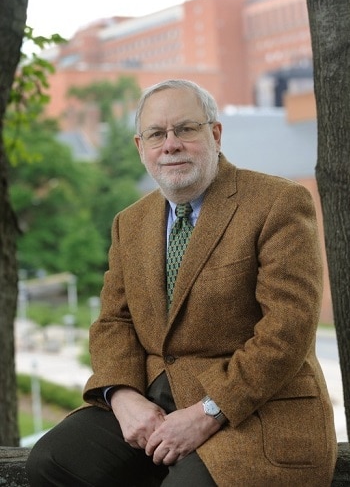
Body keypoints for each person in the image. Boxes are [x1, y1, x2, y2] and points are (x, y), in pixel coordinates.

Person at [26, 79, 337, 486]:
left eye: (185, 129)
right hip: (154, 398)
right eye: (156, 134)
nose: (170, 144)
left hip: (255, 407)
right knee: (52, 462)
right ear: (141, 148)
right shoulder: (130, 222)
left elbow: (287, 330)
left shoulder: (278, 203)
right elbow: (113, 323)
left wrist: (209, 410)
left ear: (215, 134)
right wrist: (123, 397)